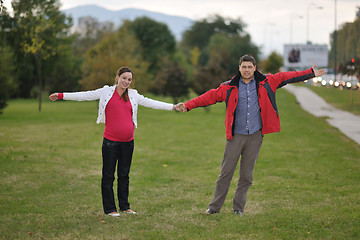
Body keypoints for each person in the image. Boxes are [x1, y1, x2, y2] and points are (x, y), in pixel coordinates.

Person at [178, 54, 325, 215]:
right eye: (244, 67)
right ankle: (214, 208)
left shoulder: (267, 82)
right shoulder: (229, 87)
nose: (247, 70)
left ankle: (238, 209)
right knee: (225, 174)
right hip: (235, 137)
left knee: (246, 176)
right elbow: (210, 96)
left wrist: (311, 73)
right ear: (239, 68)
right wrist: (188, 105)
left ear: (255, 68)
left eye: (249, 67)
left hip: (255, 136)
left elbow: (288, 76)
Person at [49, 67, 180, 217]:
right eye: (124, 78)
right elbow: (84, 95)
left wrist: (173, 107)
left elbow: (152, 103)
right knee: (108, 176)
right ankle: (110, 209)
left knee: (124, 175)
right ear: (117, 77)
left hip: (128, 142)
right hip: (110, 143)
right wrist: (61, 95)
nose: (126, 82)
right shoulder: (105, 92)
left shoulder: (133, 95)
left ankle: (125, 206)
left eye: (129, 80)